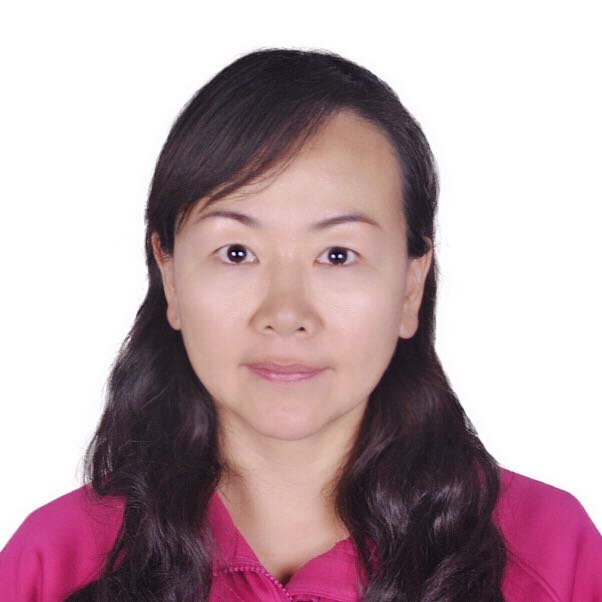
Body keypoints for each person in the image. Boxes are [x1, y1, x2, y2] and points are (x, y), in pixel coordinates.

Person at [1, 47, 601, 602]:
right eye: (237, 252)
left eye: (337, 255)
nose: (286, 315)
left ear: (410, 286)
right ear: (171, 277)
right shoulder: (52, 566)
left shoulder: (553, 555)